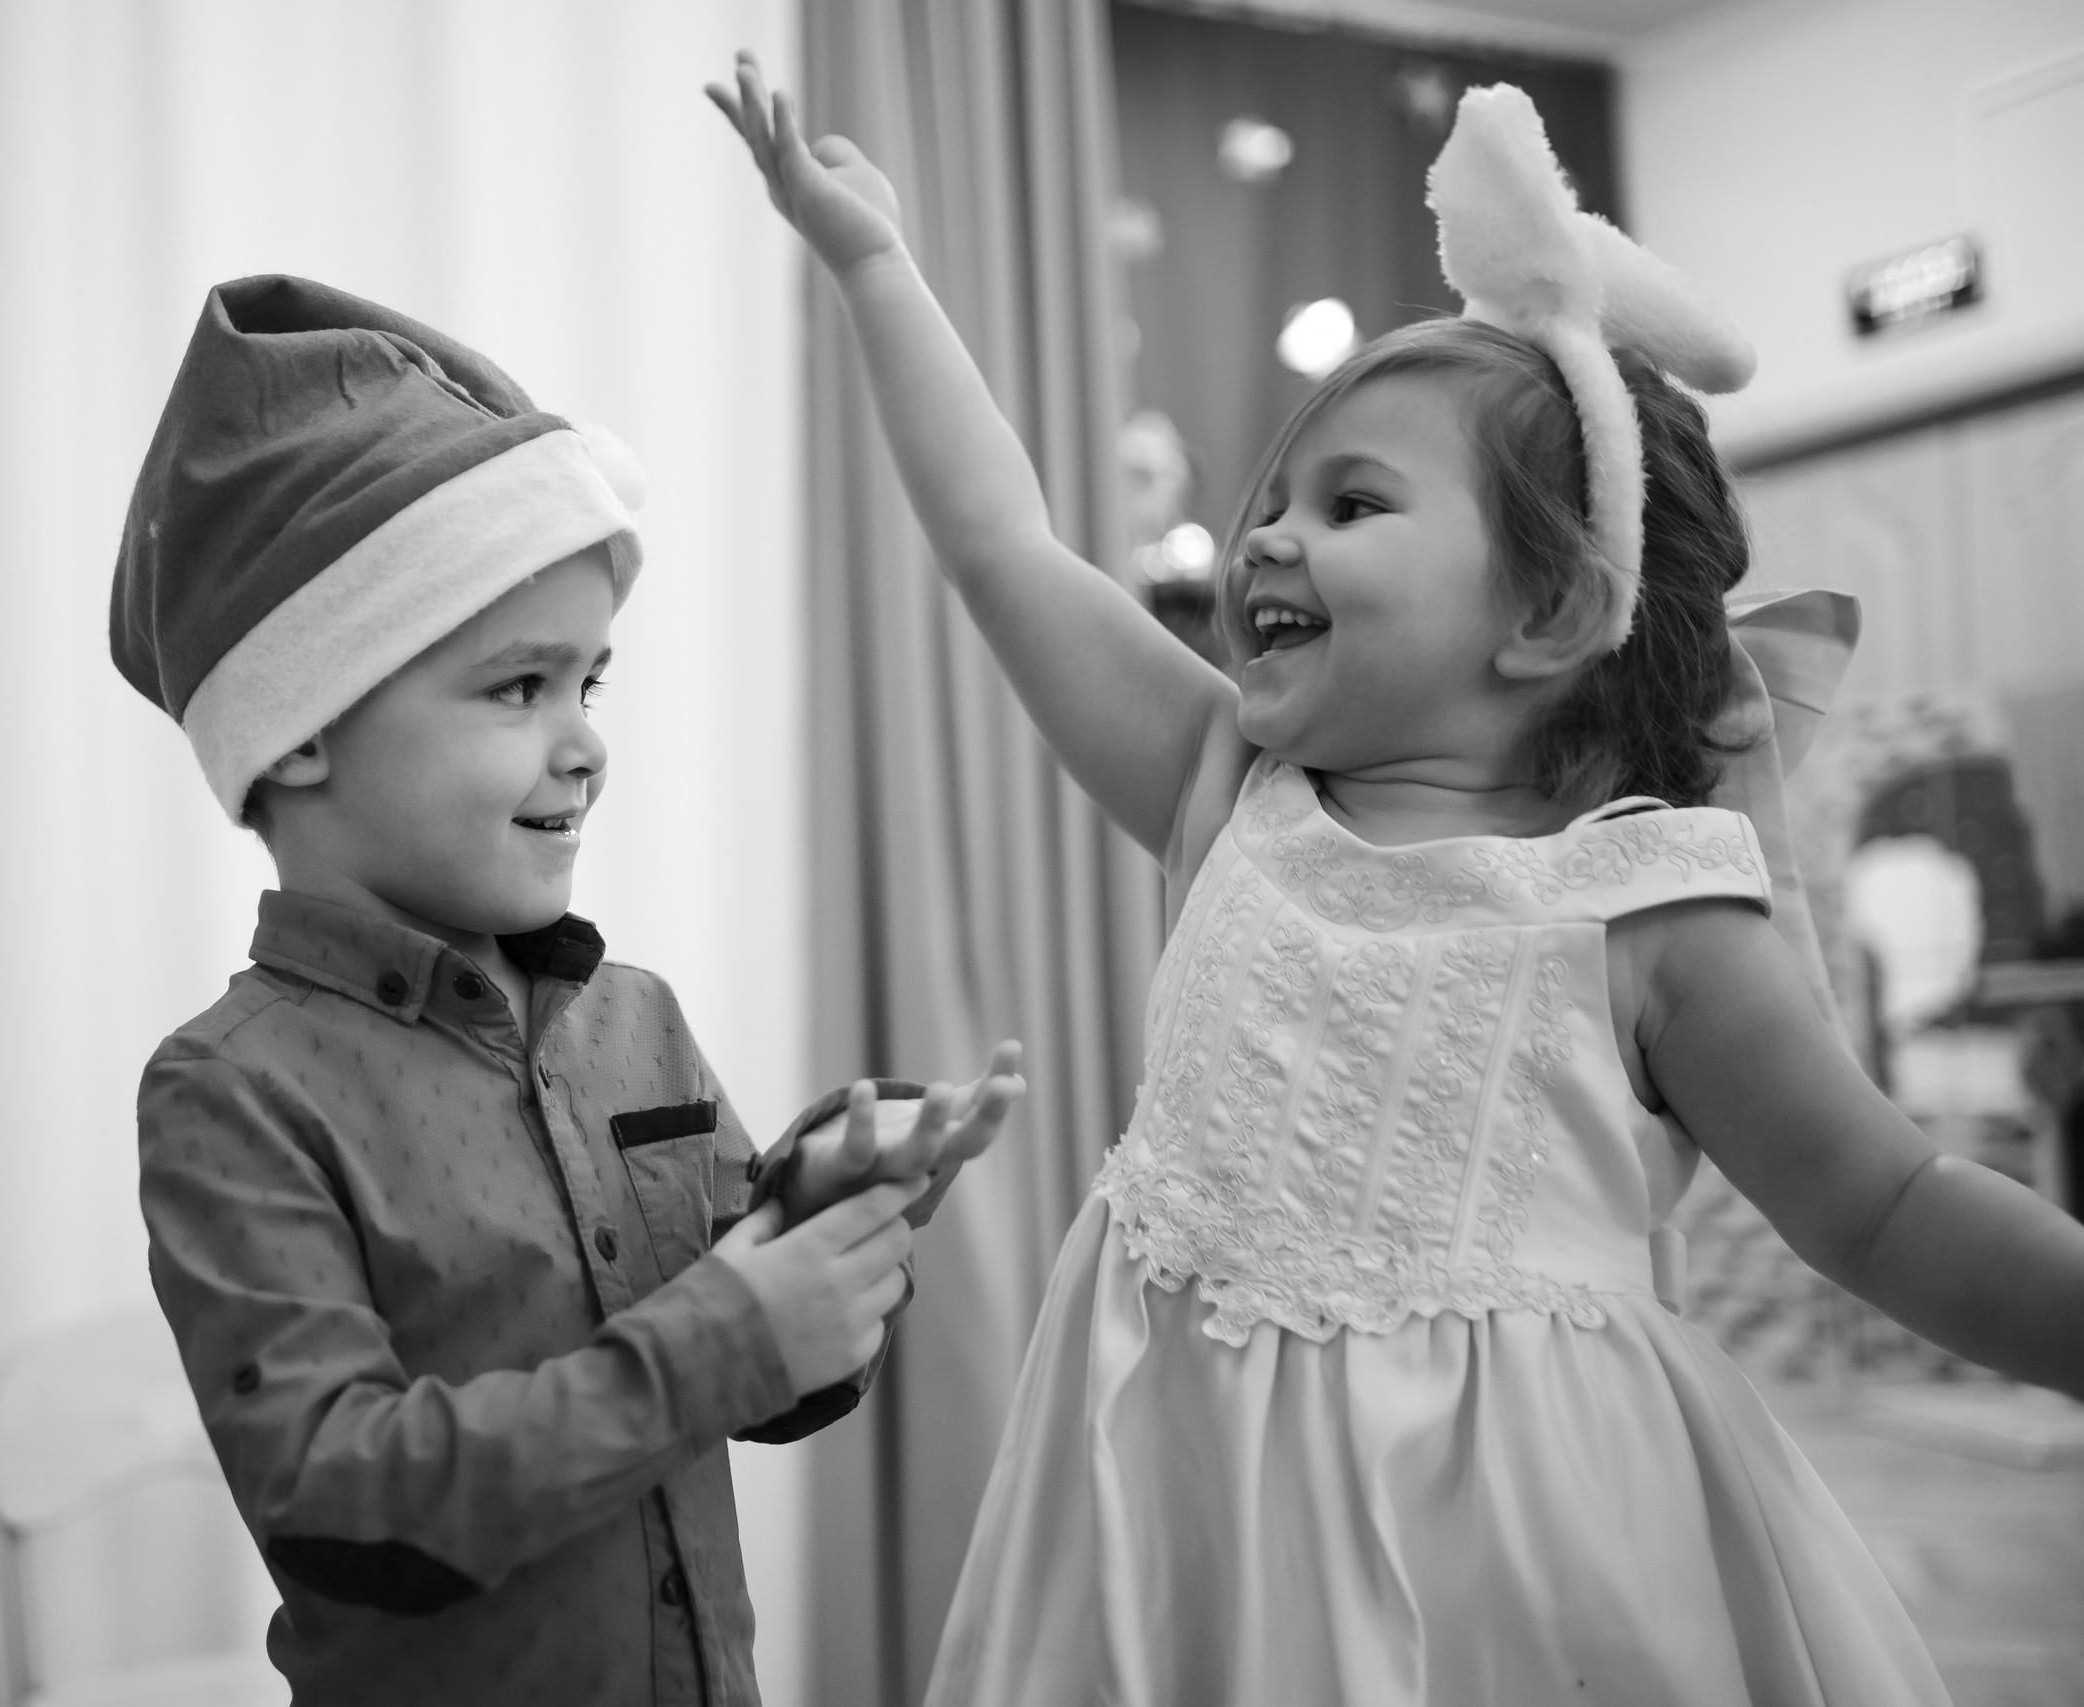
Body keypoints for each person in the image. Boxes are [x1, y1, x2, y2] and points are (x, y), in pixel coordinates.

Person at [712, 59, 2084, 1705]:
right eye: (1269, 504)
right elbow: (1005, 548)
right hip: (1183, 1538)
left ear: (1555, 614)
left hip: (1526, 1570)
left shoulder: (1651, 912)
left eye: (1351, 504)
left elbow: (1884, 1204)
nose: (1265, 541)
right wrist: (876, 267)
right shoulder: (1232, 795)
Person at [112, 273, 1025, 1706]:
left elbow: (767, 1382)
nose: (587, 742)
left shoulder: (636, 1020)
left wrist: (822, 1220)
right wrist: (724, 1337)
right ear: (296, 735)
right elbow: (351, 1511)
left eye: (591, 683)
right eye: (517, 688)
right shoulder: (232, 1095)